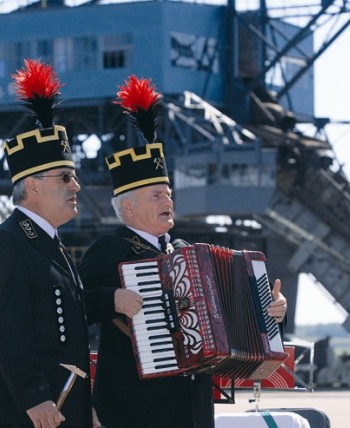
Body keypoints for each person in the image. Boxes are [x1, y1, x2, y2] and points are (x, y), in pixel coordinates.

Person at [79, 76, 287, 428]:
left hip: (193, 409)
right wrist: (112, 299)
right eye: (156, 195)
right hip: (133, 408)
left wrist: (271, 311)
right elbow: (72, 308)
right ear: (128, 207)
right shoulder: (109, 249)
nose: (169, 201)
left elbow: (231, 317)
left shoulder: (187, 252)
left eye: (169, 194)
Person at [0, 58, 100, 428]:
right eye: (65, 177)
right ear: (32, 186)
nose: (76, 186)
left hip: (62, 410)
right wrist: (34, 397)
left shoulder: (50, 244)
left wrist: (84, 408)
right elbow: (5, 330)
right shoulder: (6, 243)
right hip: (28, 415)